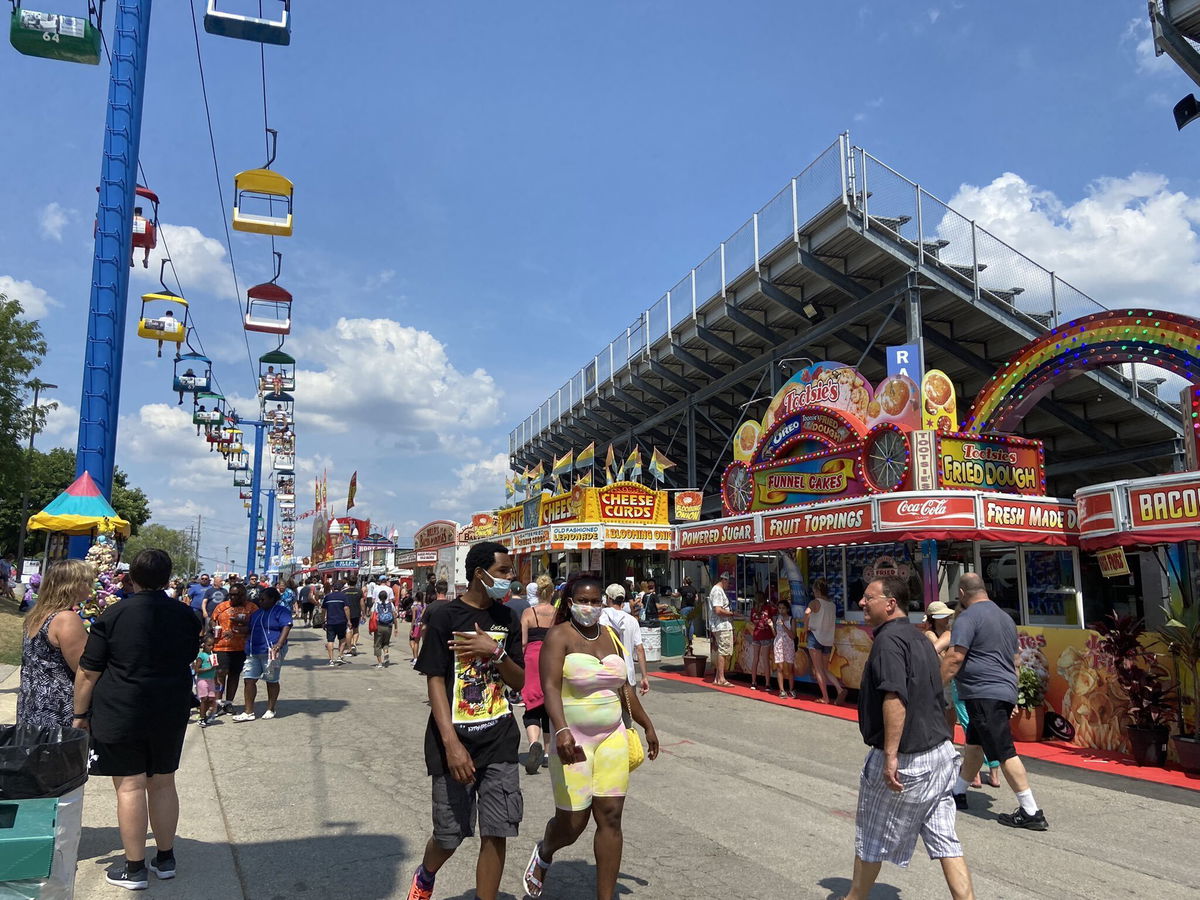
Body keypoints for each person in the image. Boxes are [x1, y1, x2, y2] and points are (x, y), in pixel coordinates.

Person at [832, 577, 974, 900]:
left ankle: (854, 896)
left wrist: (890, 756)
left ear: (890, 603)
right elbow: (933, 689)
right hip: (939, 754)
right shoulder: (921, 639)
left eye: (869, 598)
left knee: (871, 836)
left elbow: (894, 697)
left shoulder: (888, 643)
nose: (862, 603)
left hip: (908, 760)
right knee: (946, 839)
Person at [522, 575, 659, 900]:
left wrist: (646, 723)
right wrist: (562, 728)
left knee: (610, 817)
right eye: (584, 600)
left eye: (596, 600)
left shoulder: (610, 635)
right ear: (570, 602)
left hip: (611, 737)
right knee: (573, 822)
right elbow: (551, 687)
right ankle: (545, 852)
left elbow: (624, 686)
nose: (590, 606)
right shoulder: (559, 636)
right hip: (574, 738)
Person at [72, 549, 201, 889]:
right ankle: (166, 857)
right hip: (169, 708)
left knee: (130, 785)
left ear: (133, 578)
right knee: (162, 781)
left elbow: (88, 671)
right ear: (167, 578)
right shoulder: (187, 616)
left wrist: (80, 715)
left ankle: (134, 868)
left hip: (122, 709)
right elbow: (189, 656)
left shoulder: (114, 614)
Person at [409, 541, 525, 900]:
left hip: (500, 738)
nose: (511, 578)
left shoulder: (508, 619)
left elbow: (518, 681)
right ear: (480, 573)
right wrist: (452, 744)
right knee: (449, 835)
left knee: (498, 830)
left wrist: (496, 651)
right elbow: (434, 681)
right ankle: (426, 875)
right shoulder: (445, 616)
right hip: (455, 741)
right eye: (504, 571)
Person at [941, 573, 1048, 830]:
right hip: (1002, 690)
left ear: (963, 594)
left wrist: (932, 686)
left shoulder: (967, 617)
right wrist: (1013, 692)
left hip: (983, 692)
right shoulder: (1005, 618)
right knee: (975, 744)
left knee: (1003, 751)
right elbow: (1016, 660)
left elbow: (955, 657)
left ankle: (1031, 811)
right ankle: (958, 792)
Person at [17, 559, 91, 728]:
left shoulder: (37, 614)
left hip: (33, 702)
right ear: (73, 585)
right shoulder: (65, 619)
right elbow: (84, 668)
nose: (90, 586)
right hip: (58, 706)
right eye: (86, 581)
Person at [234, 586, 292, 722]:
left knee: (271, 679)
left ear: (272, 599)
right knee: (249, 679)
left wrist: (279, 644)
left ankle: (271, 708)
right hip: (253, 651)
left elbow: (286, 626)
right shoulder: (256, 613)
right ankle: (248, 712)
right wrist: (239, 629)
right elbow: (250, 629)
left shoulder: (282, 611)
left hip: (271, 651)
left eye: (263, 599)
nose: (260, 601)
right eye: (259, 599)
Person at [519, 574, 558, 774]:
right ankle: (547, 753)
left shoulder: (528, 612)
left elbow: (523, 642)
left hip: (532, 660)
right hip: (551, 658)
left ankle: (534, 743)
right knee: (549, 706)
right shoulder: (557, 613)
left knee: (532, 705)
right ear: (552, 592)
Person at [211, 582, 254, 713]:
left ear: (243, 595)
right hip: (220, 647)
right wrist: (214, 627)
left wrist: (242, 626)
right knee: (219, 674)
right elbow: (213, 619)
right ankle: (217, 703)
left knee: (234, 675)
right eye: (231, 595)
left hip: (240, 648)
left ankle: (228, 703)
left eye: (236, 595)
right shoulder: (222, 606)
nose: (233, 598)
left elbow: (255, 625)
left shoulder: (252, 608)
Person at [601, 583, 649, 696]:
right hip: (628, 673)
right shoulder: (632, 620)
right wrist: (644, 676)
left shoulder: (601, 617)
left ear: (608, 598)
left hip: (606, 673)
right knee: (629, 710)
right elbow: (640, 649)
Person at [805, 578, 847, 705]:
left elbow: (807, 613)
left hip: (815, 637)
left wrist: (806, 628)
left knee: (818, 669)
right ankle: (839, 689)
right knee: (825, 668)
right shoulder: (832, 605)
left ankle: (825, 697)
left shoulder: (815, 602)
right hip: (828, 640)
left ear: (817, 590)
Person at [707, 573, 735, 687]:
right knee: (723, 651)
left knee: (722, 650)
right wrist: (731, 613)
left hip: (720, 625)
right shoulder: (718, 591)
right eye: (729, 582)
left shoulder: (717, 590)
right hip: (721, 625)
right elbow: (718, 610)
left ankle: (718, 677)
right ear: (724, 580)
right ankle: (721, 678)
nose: (729, 585)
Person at [748, 593, 775, 691]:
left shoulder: (753, 610)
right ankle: (767, 684)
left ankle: (753, 682)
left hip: (756, 635)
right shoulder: (768, 608)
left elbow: (752, 621)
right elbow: (777, 611)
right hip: (766, 635)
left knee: (755, 659)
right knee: (765, 660)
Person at [322, 582, 352, 666]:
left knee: (330, 640)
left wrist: (323, 621)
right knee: (342, 639)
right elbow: (346, 608)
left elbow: (323, 610)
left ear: (333, 588)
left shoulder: (327, 597)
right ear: (341, 589)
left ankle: (331, 660)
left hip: (330, 622)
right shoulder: (343, 596)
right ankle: (339, 656)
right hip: (341, 621)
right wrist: (349, 620)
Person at [772, 599, 797, 699]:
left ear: (787, 609)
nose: (781, 610)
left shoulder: (791, 620)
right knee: (780, 667)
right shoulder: (777, 619)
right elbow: (775, 634)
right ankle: (782, 690)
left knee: (790, 668)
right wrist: (771, 626)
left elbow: (793, 636)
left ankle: (791, 689)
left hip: (789, 645)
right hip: (778, 644)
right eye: (779, 608)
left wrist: (784, 626)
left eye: (783, 608)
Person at [194, 636, 219, 727]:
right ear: (204, 645)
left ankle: (204, 715)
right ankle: (201, 718)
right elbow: (197, 669)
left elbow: (214, 670)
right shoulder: (201, 656)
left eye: (212, 645)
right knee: (204, 699)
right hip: (202, 680)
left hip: (211, 680)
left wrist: (216, 680)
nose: (211, 647)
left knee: (210, 699)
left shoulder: (212, 655)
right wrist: (209, 668)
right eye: (209, 645)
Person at [372, 588, 397, 668]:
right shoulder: (391, 604)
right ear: (386, 597)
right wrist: (396, 627)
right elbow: (394, 615)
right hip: (389, 626)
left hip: (379, 626)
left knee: (377, 644)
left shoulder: (376, 604)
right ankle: (386, 652)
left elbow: (372, 615)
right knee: (386, 643)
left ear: (379, 597)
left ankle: (379, 663)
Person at [345, 580, 364, 655]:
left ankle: (349, 647)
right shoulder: (359, 592)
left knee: (349, 630)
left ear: (348, 583)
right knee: (356, 630)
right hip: (356, 612)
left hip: (347, 614)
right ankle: (354, 644)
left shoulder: (344, 592)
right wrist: (364, 613)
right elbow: (362, 603)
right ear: (355, 583)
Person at [678, 576, 698, 648]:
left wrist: (670, 594)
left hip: (685, 608)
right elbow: (696, 598)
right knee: (691, 624)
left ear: (684, 581)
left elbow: (677, 595)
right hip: (692, 607)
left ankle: (684, 640)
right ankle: (690, 640)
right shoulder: (694, 589)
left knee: (684, 624)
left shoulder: (682, 588)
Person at [409, 590, 427, 665]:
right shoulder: (425, 605)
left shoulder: (415, 607)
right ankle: (424, 658)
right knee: (424, 642)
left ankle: (416, 658)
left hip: (417, 625)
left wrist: (411, 628)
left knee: (416, 642)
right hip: (424, 625)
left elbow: (413, 618)